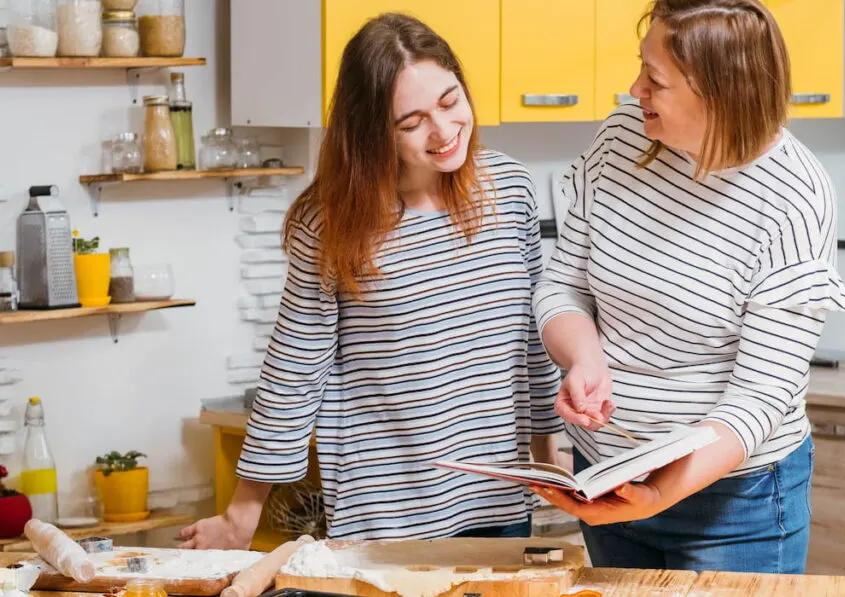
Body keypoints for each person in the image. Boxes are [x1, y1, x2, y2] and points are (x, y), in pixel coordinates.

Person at [178, 12, 563, 547]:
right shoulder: (333, 222)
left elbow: (532, 339)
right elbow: (294, 365)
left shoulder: (510, 190)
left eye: (451, 102)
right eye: (412, 123)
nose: (444, 131)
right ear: (371, 130)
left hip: (499, 498)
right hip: (386, 516)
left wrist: (549, 459)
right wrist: (242, 514)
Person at [530, 0, 845, 574]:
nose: (634, 91)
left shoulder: (794, 198)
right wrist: (585, 357)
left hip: (735, 504)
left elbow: (760, 398)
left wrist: (657, 495)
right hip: (607, 474)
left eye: (654, 80)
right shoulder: (622, 138)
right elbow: (562, 286)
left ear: (719, 93)